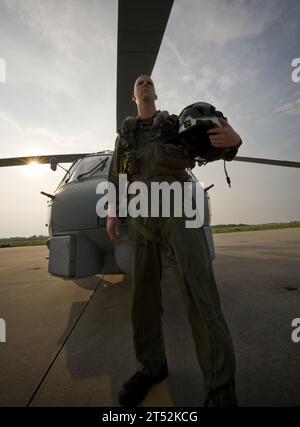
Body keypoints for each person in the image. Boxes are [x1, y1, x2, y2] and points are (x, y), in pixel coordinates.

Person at [107, 74, 242, 407]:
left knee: (201, 296)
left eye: (149, 82)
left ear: (155, 92)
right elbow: (116, 175)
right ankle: (152, 366)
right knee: (143, 299)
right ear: (133, 95)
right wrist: (113, 211)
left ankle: (220, 392)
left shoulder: (175, 124)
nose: (145, 84)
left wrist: (233, 142)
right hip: (140, 217)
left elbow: (210, 145)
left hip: (178, 210)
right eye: (139, 82)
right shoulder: (124, 136)